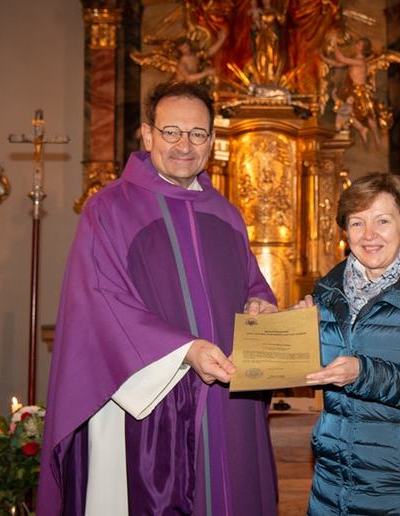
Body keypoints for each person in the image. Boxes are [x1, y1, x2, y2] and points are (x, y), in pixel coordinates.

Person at [38, 82, 279, 515]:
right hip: (152, 407)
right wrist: (186, 351)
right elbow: (99, 304)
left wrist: (261, 303)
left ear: (212, 140)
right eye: (171, 132)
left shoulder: (225, 213)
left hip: (229, 402)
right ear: (147, 135)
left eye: (198, 134)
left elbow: (250, 283)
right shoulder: (108, 209)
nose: (184, 146)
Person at [296, 172, 400, 515]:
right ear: (345, 231)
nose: (369, 235)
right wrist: (297, 335)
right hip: (334, 485)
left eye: (382, 221)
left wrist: (363, 373)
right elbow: (318, 373)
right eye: (357, 223)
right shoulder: (327, 293)